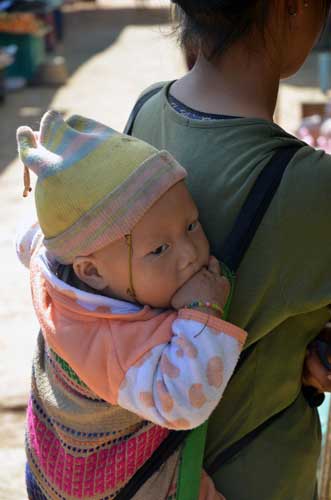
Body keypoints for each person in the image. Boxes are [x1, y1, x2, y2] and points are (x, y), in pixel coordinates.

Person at [126, 1, 331, 499]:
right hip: (256, 479)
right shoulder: (312, 189)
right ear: (294, 6)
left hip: (147, 475)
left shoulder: (146, 112)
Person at [16, 110, 247, 500]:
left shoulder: (57, 258)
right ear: (91, 272)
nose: (190, 253)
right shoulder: (116, 343)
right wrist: (203, 310)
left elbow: (32, 241)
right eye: (159, 249)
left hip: (43, 460)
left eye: (192, 224)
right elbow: (182, 404)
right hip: (99, 484)